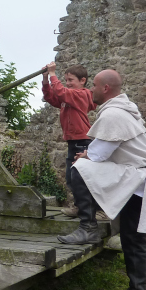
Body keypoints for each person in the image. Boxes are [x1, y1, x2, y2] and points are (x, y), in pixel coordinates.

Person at [57, 69, 146, 290]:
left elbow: (99, 155)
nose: (90, 90)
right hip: (137, 179)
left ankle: (88, 228)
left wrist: (86, 155)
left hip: (137, 180)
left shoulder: (114, 115)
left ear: (105, 89)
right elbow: (105, 149)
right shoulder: (122, 111)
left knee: (79, 168)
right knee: (132, 239)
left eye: (93, 85)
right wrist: (91, 154)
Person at [42, 62, 106, 219]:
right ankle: (80, 207)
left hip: (82, 140)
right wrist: (45, 80)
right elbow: (51, 97)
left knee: (86, 177)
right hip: (73, 141)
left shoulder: (82, 94)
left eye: (71, 80)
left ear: (82, 80)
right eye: (66, 80)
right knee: (72, 177)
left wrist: (52, 74)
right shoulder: (69, 97)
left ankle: (100, 210)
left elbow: (60, 91)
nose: (68, 83)